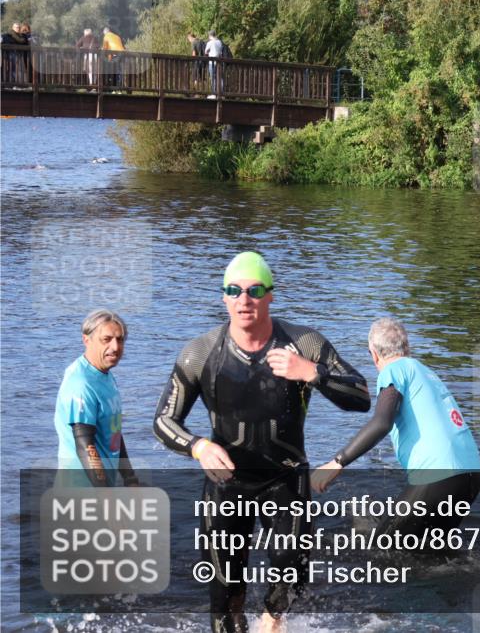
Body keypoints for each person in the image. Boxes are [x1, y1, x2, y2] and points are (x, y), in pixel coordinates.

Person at [153, 251, 370, 633]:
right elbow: (164, 420)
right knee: (224, 592)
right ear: (223, 297)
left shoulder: (304, 343)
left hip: (285, 480)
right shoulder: (200, 354)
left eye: (254, 291)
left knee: (292, 572)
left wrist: (312, 374)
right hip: (226, 485)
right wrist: (198, 447)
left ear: (271, 295)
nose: (244, 300)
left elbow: (361, 396)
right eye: (234, 290)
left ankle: (272, 618)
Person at [312, 317, 480, 537]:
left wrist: (337, 462)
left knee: (381, 549)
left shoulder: (393, 371)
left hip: (438, 476)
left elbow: (382, 423)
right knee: (429, 551)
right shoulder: (425, 372)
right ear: (407, 347)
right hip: (470, 476)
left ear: (373, 354)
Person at [54, 310, 138, 487]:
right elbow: (85, 445)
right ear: (86, 340)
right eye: (106, 339)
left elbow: (113, 432)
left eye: (120, 339)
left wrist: (130, 479)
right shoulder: (80, 384)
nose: (115, 347)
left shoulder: (104, 375)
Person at [204, 30, 223, 98]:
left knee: (213, 77)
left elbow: (206, 52)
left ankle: (214, 93)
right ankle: (221, 92)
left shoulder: (210, 42)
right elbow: (220, 51)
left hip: (211, 63)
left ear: (210, 36)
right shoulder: (219, 42)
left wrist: (209, 52)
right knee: (219, 77)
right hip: (219, 62)